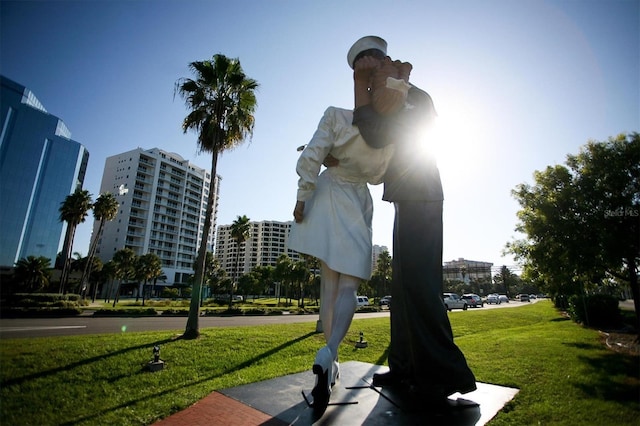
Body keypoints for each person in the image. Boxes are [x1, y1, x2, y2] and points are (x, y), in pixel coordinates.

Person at [348, 35, 478, 405]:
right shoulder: (394, 91)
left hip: (421, 192)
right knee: (403, 291)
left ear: (379, 60)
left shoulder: (412, 94)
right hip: (407, 196)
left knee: (421, 287)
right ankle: (405, 367)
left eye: (369, 66)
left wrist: (362, 89)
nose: (368, 77)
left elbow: (374, 135)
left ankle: (442, 375)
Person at [287, 36, 394, 415]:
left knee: (330, 282)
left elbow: (310, 157)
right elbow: (379, 177)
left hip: (328, 194)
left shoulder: (335, 115)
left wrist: (302, 197)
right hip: (355, 198)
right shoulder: (388, 134)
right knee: (348, 284)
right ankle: (329, 353)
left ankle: (327, 361)